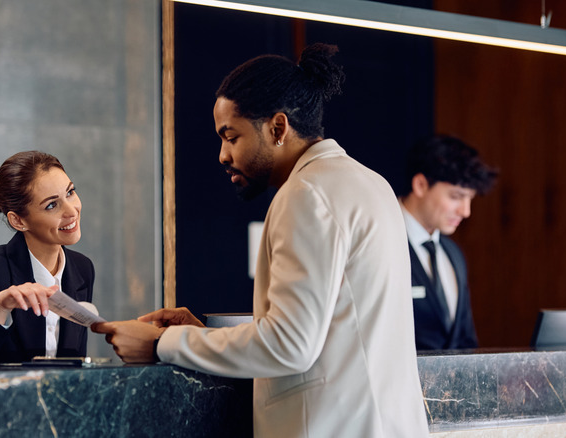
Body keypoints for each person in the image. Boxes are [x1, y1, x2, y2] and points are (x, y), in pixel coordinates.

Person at [92, 43, 429, 437]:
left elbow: (289, 344)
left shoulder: (305, 194)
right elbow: (329, 326)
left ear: (278, 128)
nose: (222, 154)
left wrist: (163, 343)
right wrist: (205, 337)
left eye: (230, 136)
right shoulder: (372, 184)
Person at [0, 151, 94, 366]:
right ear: (18, 221)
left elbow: (73, 364)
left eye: (70, 192)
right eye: (51, 205)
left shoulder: (82, 268)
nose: (72, 211)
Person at [400, 135, 497, 350]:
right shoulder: (381, 242)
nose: (466, 211)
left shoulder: (453, 253)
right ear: (421, 185)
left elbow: (465, 340)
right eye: (456, 196)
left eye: (469, 199)